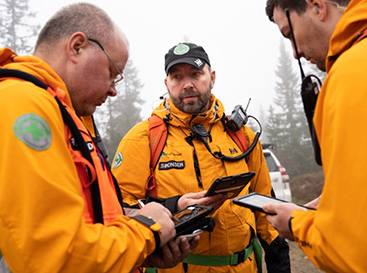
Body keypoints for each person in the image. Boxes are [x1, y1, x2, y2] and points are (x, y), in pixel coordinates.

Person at [0, 3, 198, 273]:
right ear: (77, 47)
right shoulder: (23, 105)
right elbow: (55, 256)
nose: (114, 91)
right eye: (112, 73)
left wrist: (144, 250)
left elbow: (89, 223)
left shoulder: (66, 116)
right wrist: (147, 229)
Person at [112, 42, 290, 273]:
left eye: (196, 74)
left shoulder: (240, 135)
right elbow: (119, 210)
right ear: (167, 84)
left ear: (212, 77)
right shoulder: (143, 138)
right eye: (177, 77)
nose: (187, 85)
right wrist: (175, 206)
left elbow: (267, 210)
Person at [264, 0, 367, 271]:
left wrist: (297, 223)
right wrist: (337, 199)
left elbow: (360, 252)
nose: (294, 53)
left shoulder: (354, 74)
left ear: (317, 6)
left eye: (289, 34)